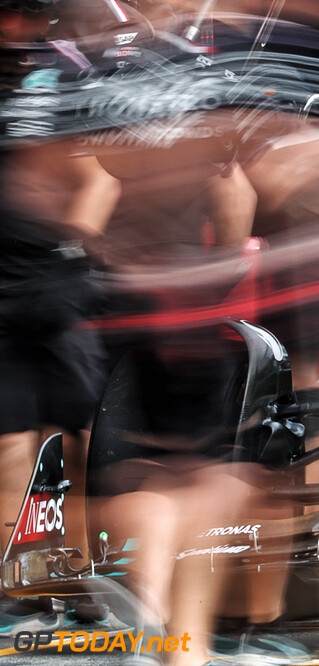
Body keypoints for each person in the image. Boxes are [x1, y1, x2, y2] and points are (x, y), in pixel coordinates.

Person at [0, 0, 119, 634]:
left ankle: (81, 578)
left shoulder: (67, 71)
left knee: (78, 440)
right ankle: (20, 584)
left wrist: (72, 247)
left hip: (59, 280)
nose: (22, 27)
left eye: (33, 14)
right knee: (10, 442)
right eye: (13, 13)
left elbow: (103, 177)